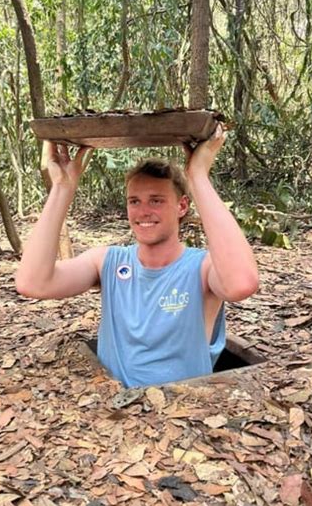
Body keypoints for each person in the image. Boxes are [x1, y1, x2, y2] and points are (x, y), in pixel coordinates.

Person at [16, 125, 259, 387]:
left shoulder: (202, 267)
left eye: (156, 200)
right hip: (119, 415)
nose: (143, 211)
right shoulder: (107, 261)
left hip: (184, 414)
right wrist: (63, 186)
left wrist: (198, 175)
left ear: (182, 206)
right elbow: (33, 283)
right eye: (134, 201)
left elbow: (241, 284)